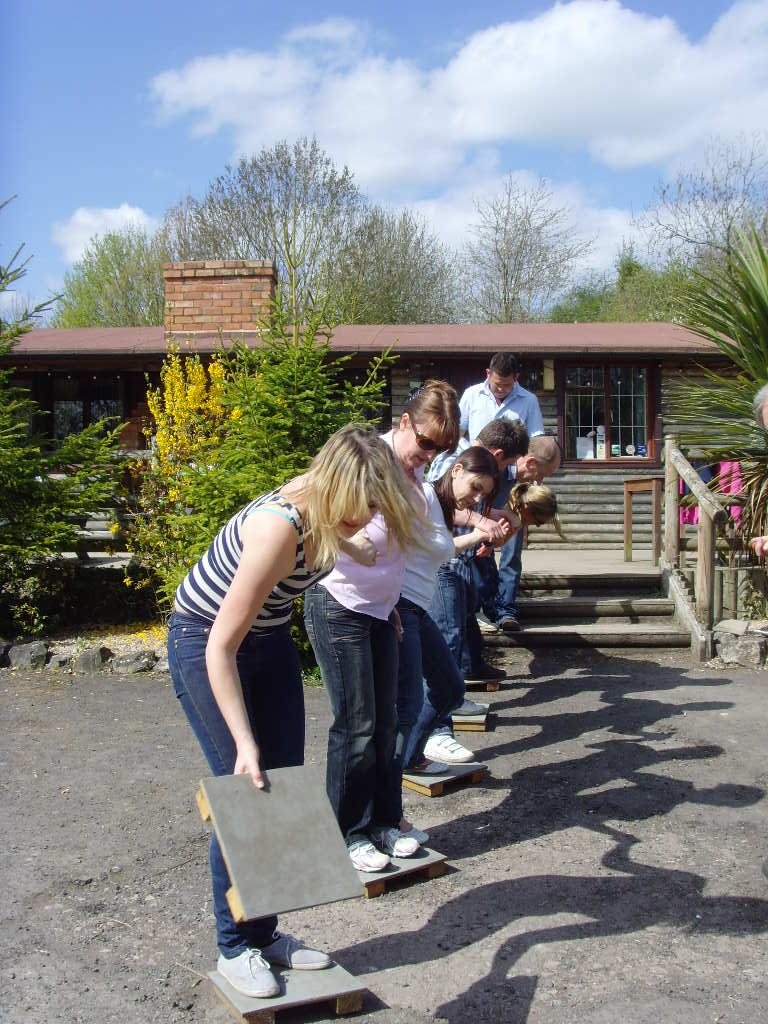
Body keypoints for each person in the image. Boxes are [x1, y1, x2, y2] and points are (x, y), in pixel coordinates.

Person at [167, 425, 426, 1000]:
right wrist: (243, 740)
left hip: (269, 642)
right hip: (207, 643)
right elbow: (219, 648)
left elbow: (353, 548)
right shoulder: (278, 529)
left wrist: (386, 601)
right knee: (249, 787)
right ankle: (235, 948)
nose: (365, 522)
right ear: (334, 489)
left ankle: (263, 932)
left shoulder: (337, 512)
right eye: (360, 511)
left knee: (281, 786)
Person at [304, 381, 461, 874]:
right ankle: (346, 834)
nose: (431, 456)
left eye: (443, 449)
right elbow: (315, 515)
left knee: (391, 722)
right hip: (339, 604)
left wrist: (391, 601)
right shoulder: (366, 460)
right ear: (404, 423)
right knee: (357, 726)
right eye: (428, 443)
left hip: (381, 611)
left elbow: (407, 550)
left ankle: (384, 822)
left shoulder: (414, 477)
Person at [394, 446, 500, 781]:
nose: (476, 498)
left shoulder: (441, 505)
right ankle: (394, 777)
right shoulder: (425, 496)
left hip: (416, 607)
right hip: (400, 606)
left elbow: (438, 549)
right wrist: (477, 534)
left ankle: (408, 757)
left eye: (482, 493)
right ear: (456, 470)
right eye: (475, 487)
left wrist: (479, 535)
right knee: (409, 699)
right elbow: (429, 549)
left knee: (451, 688)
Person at [458, 352, 556, 632]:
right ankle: (483, 605)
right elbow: (461, 433)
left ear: (517, 379)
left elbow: (536, 443)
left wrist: (534, 480)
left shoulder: (529, 401)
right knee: (480, 540)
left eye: (506, 385)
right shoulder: (471, 395)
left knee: (511, 546)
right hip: (478, 478)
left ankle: (507, 609)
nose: (500, 389)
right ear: (487, 374)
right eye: (496, 384)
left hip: (513, 479)